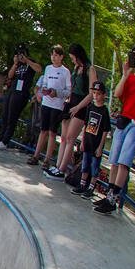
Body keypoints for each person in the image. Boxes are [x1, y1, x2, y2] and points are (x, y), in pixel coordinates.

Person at [93, 46, 135, 215]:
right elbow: (117, 93)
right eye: (133, 56)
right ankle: (109, 194)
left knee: (124, 161)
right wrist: (124, 74)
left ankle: (113, 197)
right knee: (114, 160)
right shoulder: (129, 78)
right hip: (124, 121)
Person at [0, 45, 41, 150]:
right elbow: (10, 75)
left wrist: (27, 60)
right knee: (5, 115)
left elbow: (39, 69)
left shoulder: (31, 62)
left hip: (21, 93)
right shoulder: (18, 64)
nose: (19, 56)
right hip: (13, 90)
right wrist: (15, 63)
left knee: (12, 116)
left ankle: (5, 141)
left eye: (21, 54)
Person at [51, 43, 92, 178]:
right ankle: (57, 165)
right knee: (63, 137)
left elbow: (91, 93)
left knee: (70, 138)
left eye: (73, 57)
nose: (73, 60)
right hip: (71, 101)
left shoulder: (89, 69)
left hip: (81, 105)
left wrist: (79, 106)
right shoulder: (76, 68)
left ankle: (62, 169)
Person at [29, 45, 71, 171]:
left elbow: (68, 91)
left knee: (52, 132)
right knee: (43, 130)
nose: (54, 57)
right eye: (52, 55)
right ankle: (36, 155)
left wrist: (56, 93)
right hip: (46, 103)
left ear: (61, 57)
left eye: (56, 55)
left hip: (57, 105)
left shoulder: (65, 71)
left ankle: (47, 159)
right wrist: (44, 92)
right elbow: (44, 83)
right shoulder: (48, 68)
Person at [67, 81, 111, 198]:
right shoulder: (90, 107)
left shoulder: (104, 111)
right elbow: (86, 124)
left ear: (103, 95)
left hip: (96, 144)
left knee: (94, 167)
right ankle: (82, 185)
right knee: (85, 165)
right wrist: (82, 140)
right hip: (87, 142)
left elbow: (106, 130)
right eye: (94, 93)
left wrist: (101, 146)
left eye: (99, 94)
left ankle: (91, 187)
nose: (96, 96)